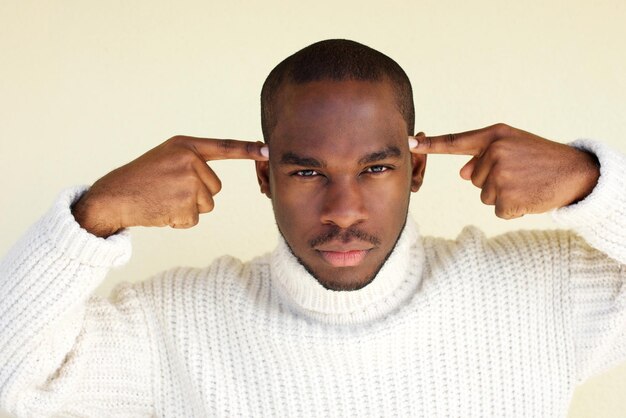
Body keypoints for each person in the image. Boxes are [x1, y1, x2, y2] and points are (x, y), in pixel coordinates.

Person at [0, 39, 624, 417]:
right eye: (306, 173)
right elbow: (15, 384)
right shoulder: (174, 324)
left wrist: (589, 183)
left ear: (417, 170)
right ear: (266, 178)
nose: (344, 209)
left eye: (376, 167)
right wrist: (95, 215)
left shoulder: (544, 291)